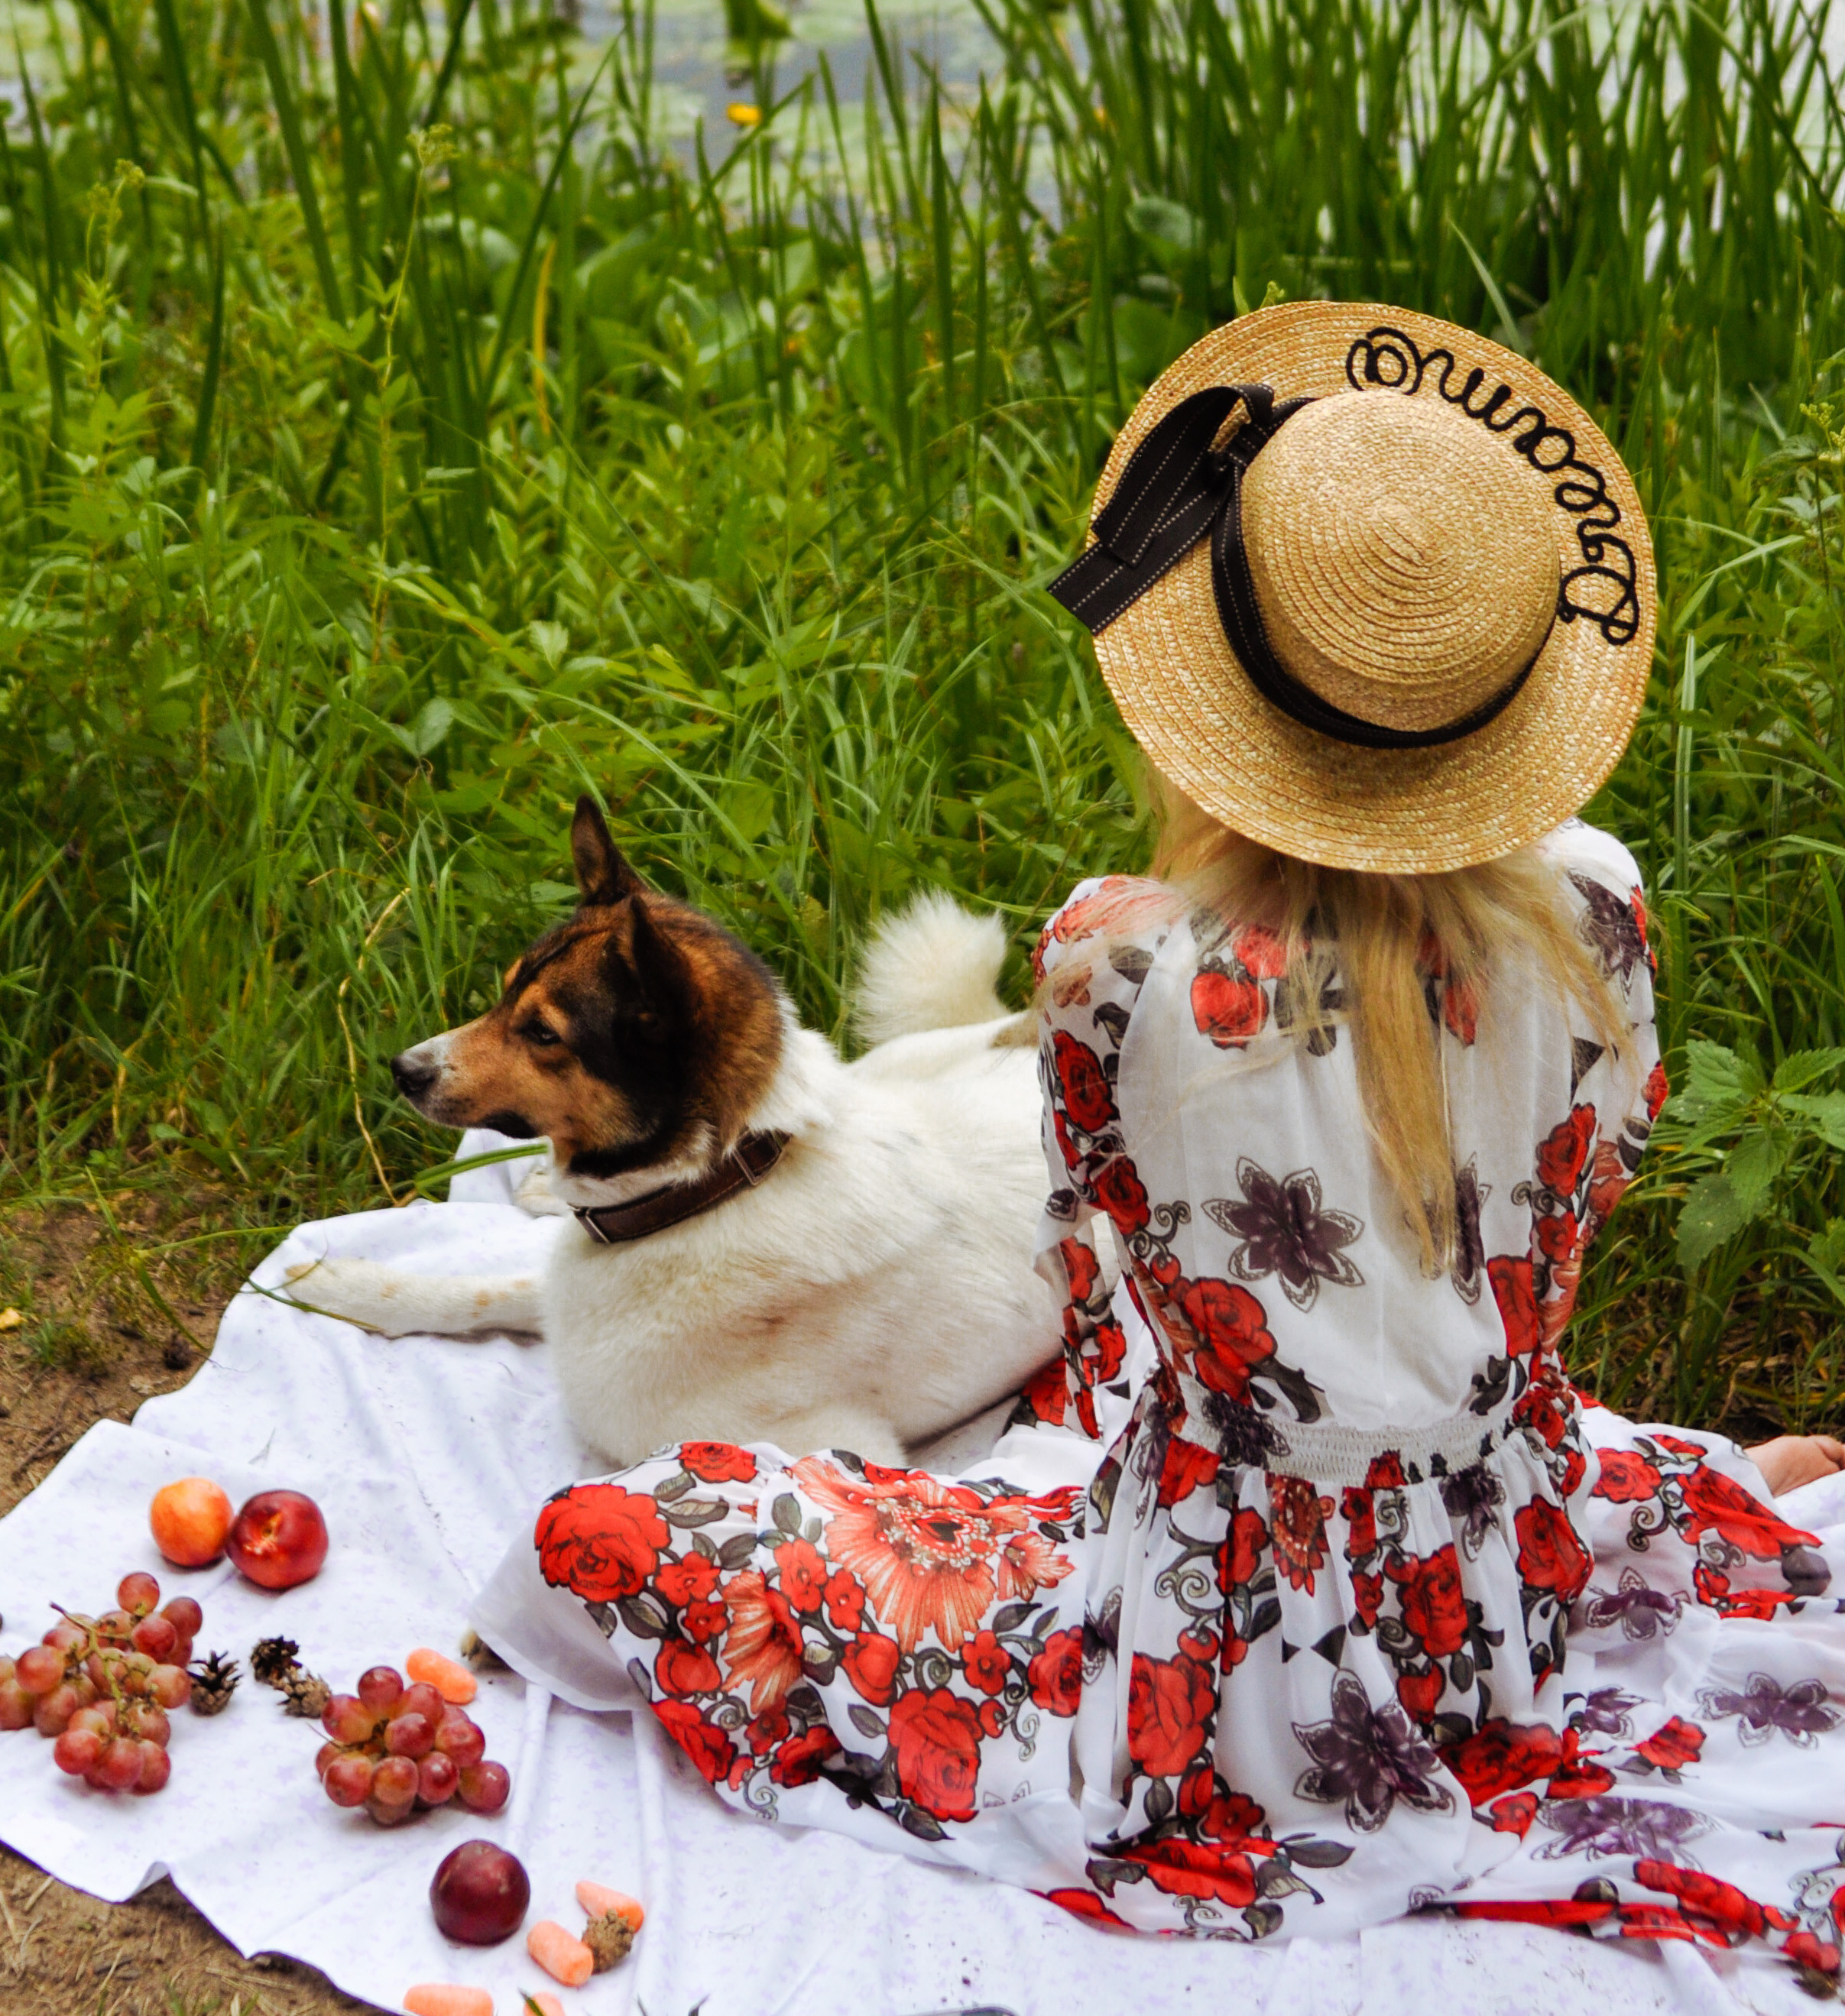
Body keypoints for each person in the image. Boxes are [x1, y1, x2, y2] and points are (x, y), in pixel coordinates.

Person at [528, 301, 1845, 1979]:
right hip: (1493, 1561)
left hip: (1225, 1650)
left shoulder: (1120, 967)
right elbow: (1587, 1169)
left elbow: (1100, 1258)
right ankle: (1684, 1496)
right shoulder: (1598, 898)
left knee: (629, 1532)